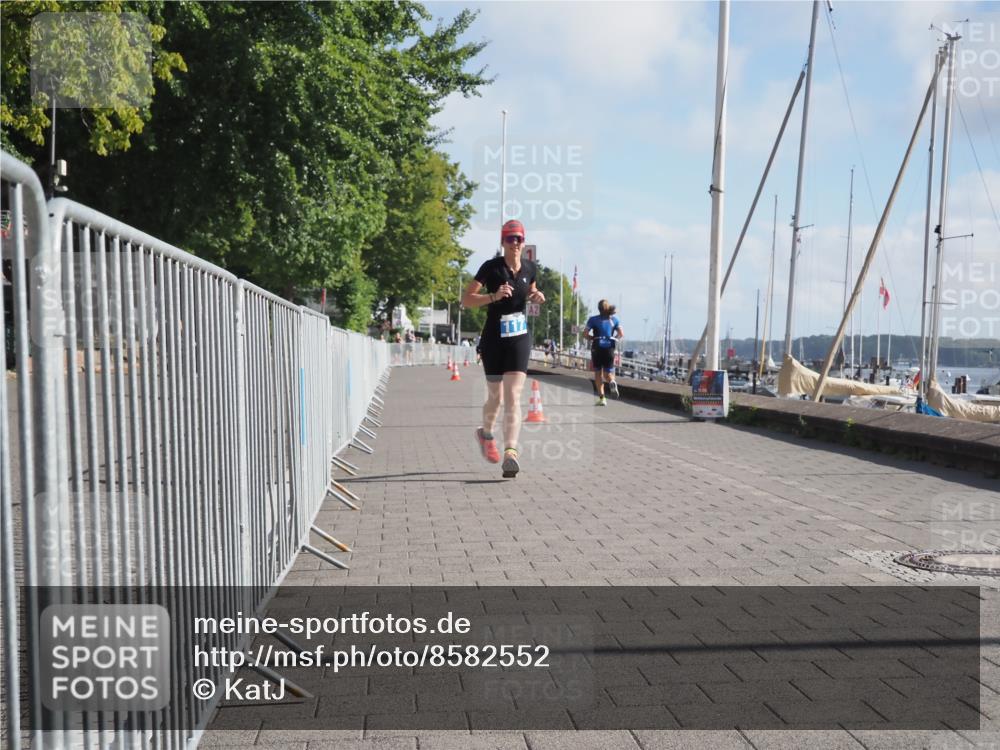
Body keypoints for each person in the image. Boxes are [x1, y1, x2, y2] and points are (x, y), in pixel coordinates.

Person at [461, 219, 545, 478]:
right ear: (503, 242)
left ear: (524, 241)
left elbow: (530, 289)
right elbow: (466, 299)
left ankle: (511, 453)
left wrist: (536, 295)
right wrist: (493, 297)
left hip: (519, 337)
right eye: (510, 238)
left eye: (519, 238)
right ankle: (485, 433)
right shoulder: (491, 267)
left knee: (513, 395)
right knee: (495, 398)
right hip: (493, 338)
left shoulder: (530, 268)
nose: (515, 243)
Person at [584, 300, 623, 405]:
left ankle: (602, 398)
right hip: (609, 348)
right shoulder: (614, 320)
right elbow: (621, 334)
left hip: (597, 347)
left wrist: (592, 338)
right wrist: (614, 339)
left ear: (599, 309)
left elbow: (585, 334)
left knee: (598, 373)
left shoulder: (593, 319)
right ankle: (611, 381)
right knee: (607, 373)